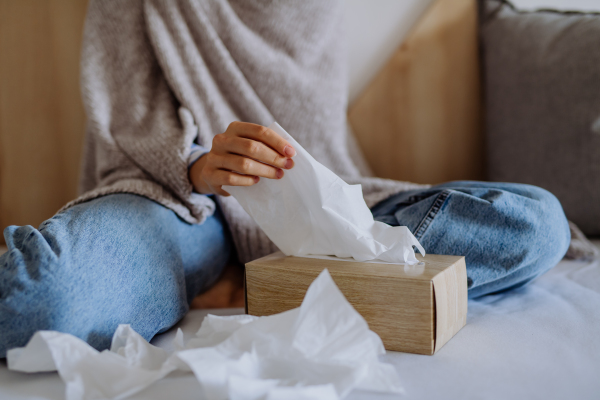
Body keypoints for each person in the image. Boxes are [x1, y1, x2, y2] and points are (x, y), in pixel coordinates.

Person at [0, 0, 570, 358]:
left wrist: (289, 202)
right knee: (39, 298)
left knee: (538, 222)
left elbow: (311, 135)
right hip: (176, 202)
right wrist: (197, 165)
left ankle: (273, 282)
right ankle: (289, 281)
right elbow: (123, 117)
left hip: (312, 206)